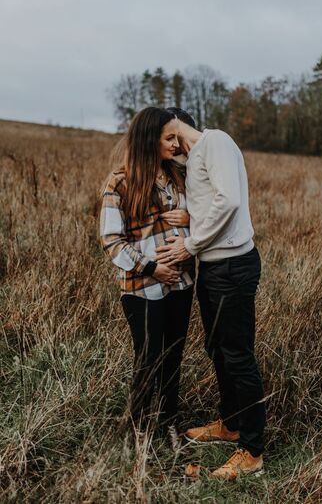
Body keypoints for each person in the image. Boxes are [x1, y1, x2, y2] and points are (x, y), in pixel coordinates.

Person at [155, 107, 266, 478]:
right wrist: (192, 219)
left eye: (166, 138)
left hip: (233, 266)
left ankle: (251, 451)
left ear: (172, 124)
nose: (167, 148)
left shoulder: (214, 140)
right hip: (214, 267)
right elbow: (212, 201)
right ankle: (231, 423)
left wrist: (191, 242)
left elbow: (229, 200)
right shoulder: (195, 157)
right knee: (217, 349)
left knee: (238, 355)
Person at [99, 107, 195, 445]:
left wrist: (189, 223)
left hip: (181, 285)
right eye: (169, 138)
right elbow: (112, 241)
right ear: (148, 140)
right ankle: (141, 433)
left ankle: (170, 426)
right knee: (148, 358)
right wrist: (154, 267)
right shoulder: (120, 182)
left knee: (173, 358)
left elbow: (202, 222)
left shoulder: (179, 177)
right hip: (142, 288)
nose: (176, 144)